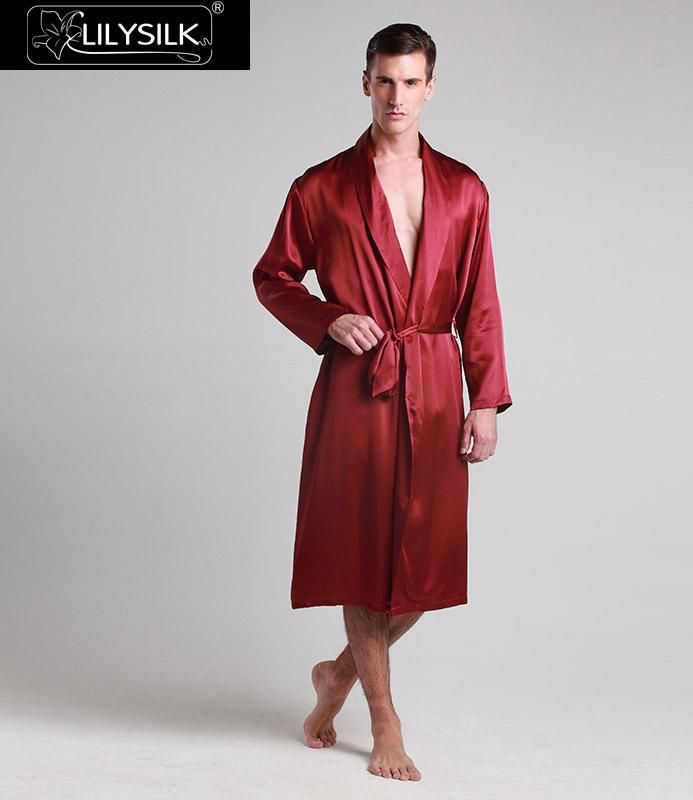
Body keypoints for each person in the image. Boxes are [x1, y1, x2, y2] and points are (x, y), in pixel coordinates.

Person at [252, 22, 513, 781]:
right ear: (365, 83)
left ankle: (335, 676)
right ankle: (384, 718)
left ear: (431, 88)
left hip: (433, 377)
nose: (397, 96)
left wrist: (485, 400)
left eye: (411, 82)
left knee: (427, 561)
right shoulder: (321, 187)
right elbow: (273, 277)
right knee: (364, 556)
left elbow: (481, 302)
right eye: (385, 81)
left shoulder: (464, 189)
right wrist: (328, 318)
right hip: (358, 385)